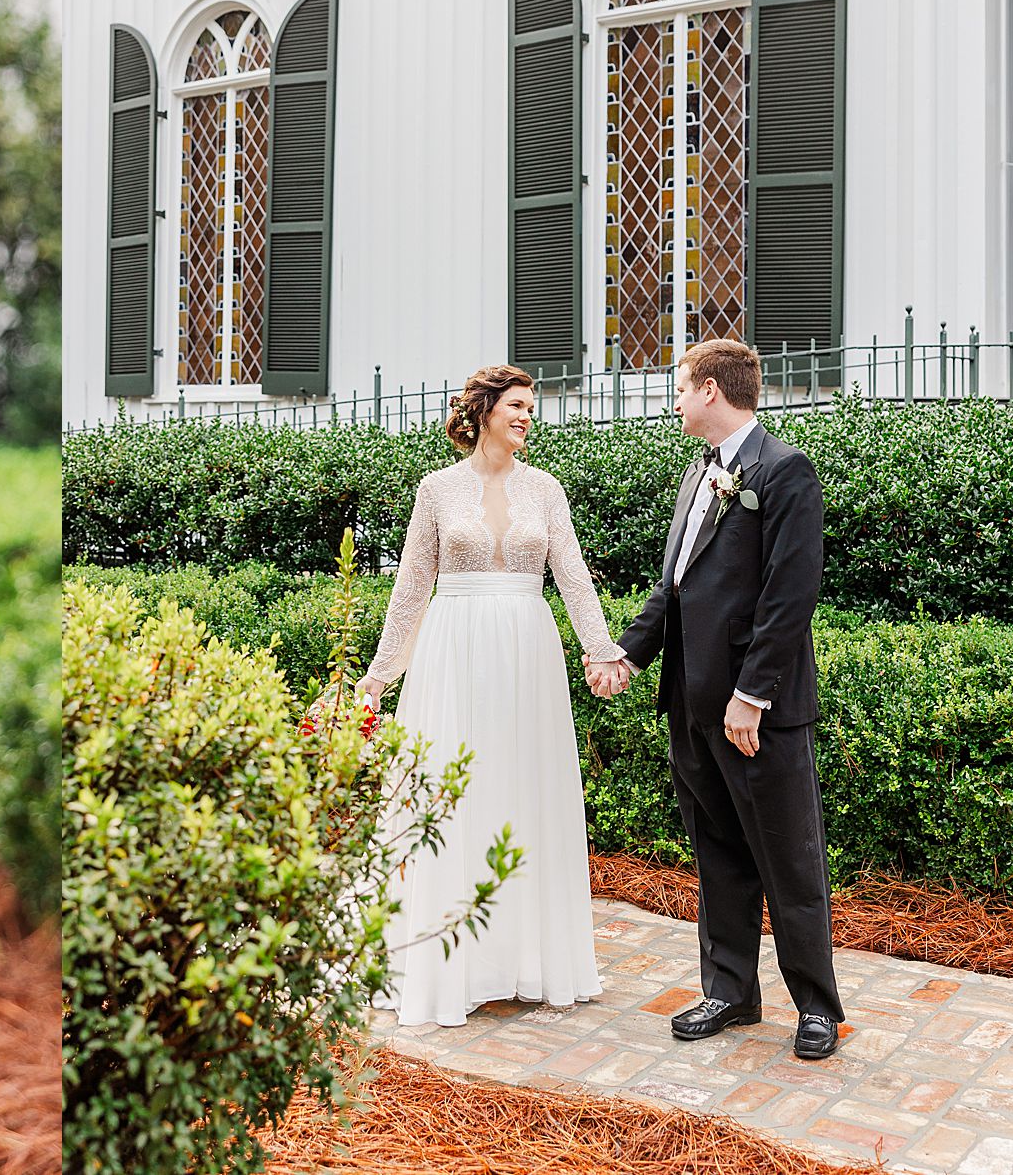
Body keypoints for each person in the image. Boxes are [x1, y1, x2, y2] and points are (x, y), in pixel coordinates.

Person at [355, 364, 628, 1027]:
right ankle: (454, 964)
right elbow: (411, 590)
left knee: (522, 792)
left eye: (531, 407)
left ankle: (525, 958)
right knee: (460, 797)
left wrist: (602, 649)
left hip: (527, 655)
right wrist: (378, 678)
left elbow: (574, 577)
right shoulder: (438, 491)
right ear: (482, 413)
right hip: (455, 655)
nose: (528, 416)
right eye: (517, 406)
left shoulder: (546, 490)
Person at [597, 339, 843, 1061]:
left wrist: (751, 696)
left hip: (754, 714)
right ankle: (730, 990)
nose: (673, 401)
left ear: (711, 389)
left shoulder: (785, 470)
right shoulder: (699, 473)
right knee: (718, 855)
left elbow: (789, 596)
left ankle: (818, 1007)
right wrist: (627, 657)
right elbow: (672, 589)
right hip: (691, 704)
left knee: (789, 861)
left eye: (680, 388)